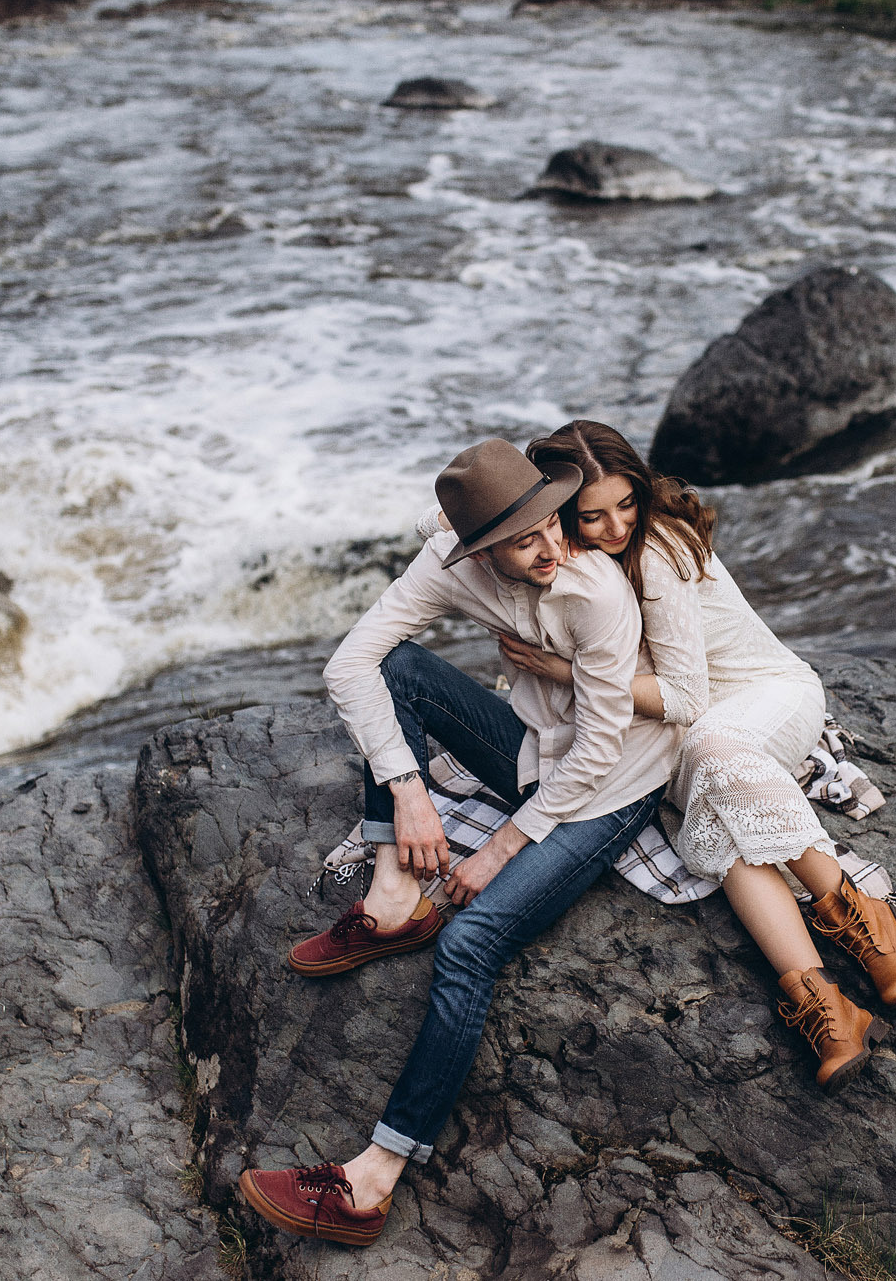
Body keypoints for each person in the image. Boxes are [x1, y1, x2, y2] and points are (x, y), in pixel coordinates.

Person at [234, 438, 678, 1248]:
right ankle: (393, 897)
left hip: (613, 785)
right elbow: (349, 666)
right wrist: (409, 790)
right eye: (524, 540)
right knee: (397, 667)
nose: (551, 547)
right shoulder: (448, 563)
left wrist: (502, 846)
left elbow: (602, 749)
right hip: (535, 749)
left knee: (470, 941)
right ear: (478, 550)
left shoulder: (595, 591)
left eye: (552, 524)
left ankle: (370, 1182)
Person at [498, 421, 896, 1094]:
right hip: (671, 734)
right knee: (722, 824)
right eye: (592, 515)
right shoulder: (558, 558)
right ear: (557, 513)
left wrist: (566, 671)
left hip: (762, 697)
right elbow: (452, 528)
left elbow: (688, 696)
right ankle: (823, 1002)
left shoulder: (655, 548)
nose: (615, 526)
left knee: (713, 752)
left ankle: (854, 911)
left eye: (626, 503)